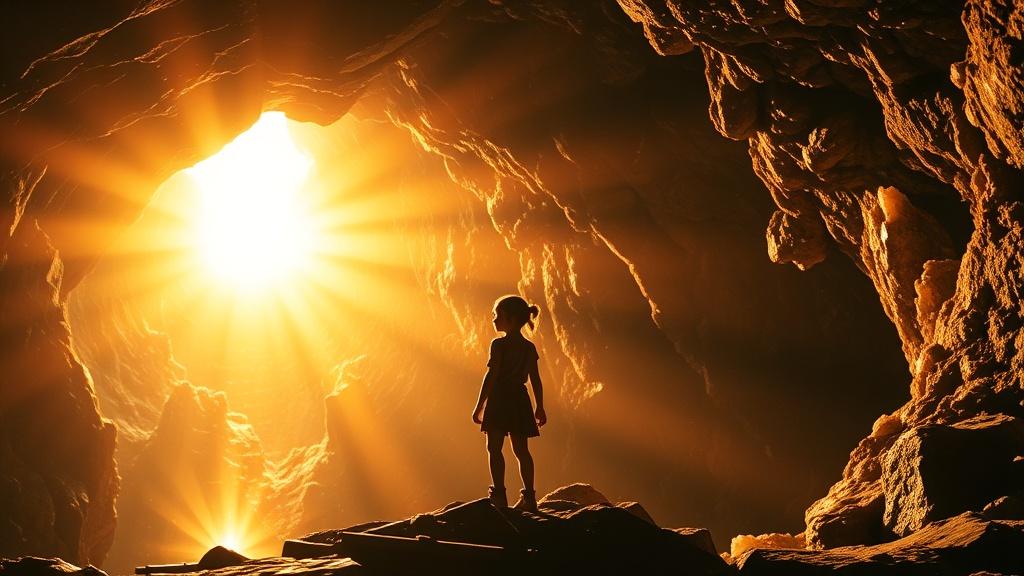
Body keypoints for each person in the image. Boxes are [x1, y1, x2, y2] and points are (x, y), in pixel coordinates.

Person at [472, 295, 546, 512]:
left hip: (500, 398)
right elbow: (535, 380)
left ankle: (499, 496)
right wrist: (539, 406)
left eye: (498, 316)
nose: (494, 320)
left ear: (511, 319)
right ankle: (530, 497)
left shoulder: (499, 344)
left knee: (494, 448)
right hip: (520, 399)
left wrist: (480, 405)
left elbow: (492, 375)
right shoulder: (529, 348)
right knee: (522, 450)